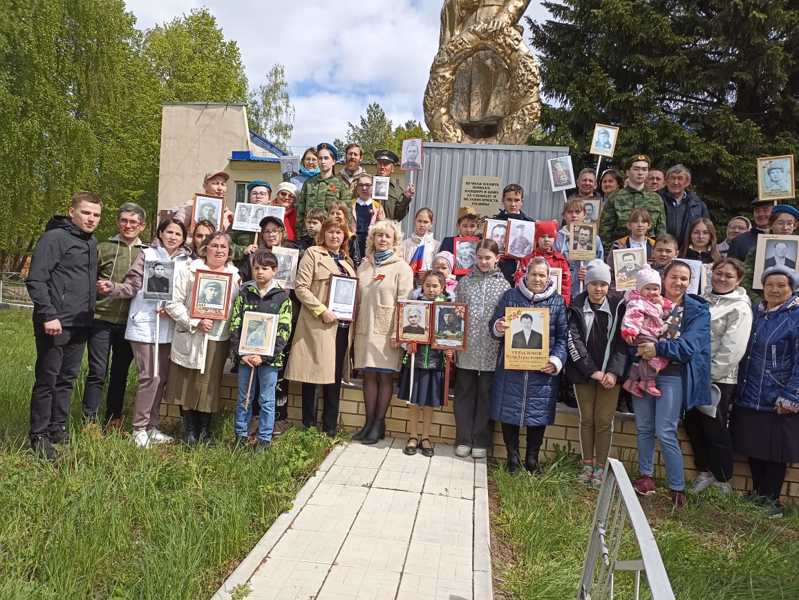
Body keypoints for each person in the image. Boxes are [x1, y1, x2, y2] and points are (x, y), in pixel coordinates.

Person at [98, 218, 193, 448]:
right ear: (160, 233)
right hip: (144, 325)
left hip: (168, 328)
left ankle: (152, 426)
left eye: (177, 234)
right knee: (149, 377)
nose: (172, 237)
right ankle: (139, 428)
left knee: (160, 379)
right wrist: (113, 288)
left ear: (183, 238)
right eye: (168, 232)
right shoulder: (147, 255)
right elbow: (131, 285)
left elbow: (189, 293)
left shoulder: (187, 262)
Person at [26, 191, 102, 459]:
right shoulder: (55, 238)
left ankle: (58, 427)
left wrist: (97, 289)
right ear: (72, 212)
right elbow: (36, 279)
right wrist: (48, 314)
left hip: (80, 324)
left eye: (96, 214)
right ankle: (39, 436)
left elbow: (73, 279)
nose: (91, 219)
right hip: (55, 323)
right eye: (86, 213)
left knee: (67, 379)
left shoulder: (90, 242)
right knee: (48, 379)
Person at [631, 260, 711, 508]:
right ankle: (646, 477)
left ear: (690, 282)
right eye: (674, 277)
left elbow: (688, 347)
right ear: (663, 279)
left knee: (665, 431)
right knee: (644, 427)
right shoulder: (646, 302)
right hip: (642, 372)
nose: (678, 282)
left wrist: (657, 347)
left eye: (684, 279)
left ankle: (677, 488)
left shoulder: (697, 312)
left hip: (672, 375)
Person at [491, 256, 569, 473]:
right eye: (534, 274)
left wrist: (555, 361)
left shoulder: (557, 302)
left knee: (538, 414)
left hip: (541, 372)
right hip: (511, 369)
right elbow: (493, 327)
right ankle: (512, 459)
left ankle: (532, 460)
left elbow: (563, 338)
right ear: (526, 275)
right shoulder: (511, 297)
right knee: (510, 412)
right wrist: (499, 326)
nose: (537, 278)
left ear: (548, 277)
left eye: (542, 275)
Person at [733, 266, 799, 518]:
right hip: (751, 393)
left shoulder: (795, 316)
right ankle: (759, 494)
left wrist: (792, 396)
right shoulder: (757, 313)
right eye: (770, 284)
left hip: (778, 396)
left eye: (781, 285)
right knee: (755, 446)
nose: (774, 289)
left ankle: (772, 501)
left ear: (791, 288)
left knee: (775, 452)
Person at [164, 232, 240, 444]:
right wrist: (194, 322)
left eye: (223, 247)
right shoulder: (189, 271)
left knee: (209, 385)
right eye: (214, 245)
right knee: (187, 383)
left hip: (218, 338)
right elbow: (172, 303)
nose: (218, 250)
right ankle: (189, 431)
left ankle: (205, 431)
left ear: (229, 251)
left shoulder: (234, 277)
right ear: (205, 248)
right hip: (191, 334)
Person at [286, 217, 358, 437]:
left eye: (339, 233)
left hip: (341, 327)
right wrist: (321, 310)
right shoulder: (313, 254)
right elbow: (301, 288)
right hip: (318, 325)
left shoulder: (347, 262)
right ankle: (308, 426)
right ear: (323, 234)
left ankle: (330, 428)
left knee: (334, 378)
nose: (335, 236)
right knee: (312, 375)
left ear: (345, 237)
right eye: (331, 232)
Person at [685, 258, 752, 495]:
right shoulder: (702, 298)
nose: (722, 279)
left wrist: (710, 375)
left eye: (729, 276)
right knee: (693, 424)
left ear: (739, 280)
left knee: (714, 426)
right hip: (693, 375)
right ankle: (704, 471)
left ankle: (723, 478)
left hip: (718, 379)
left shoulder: (740, 307)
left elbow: (733, 348)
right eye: (719, 273)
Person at [82, 202, 146, 430]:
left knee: (120, 373)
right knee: (98, 372)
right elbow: (89, 280)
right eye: (124, 221)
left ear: (142, 226)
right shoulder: (103, 247)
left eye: (133, 222)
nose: (128, 225)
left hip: (129, 324)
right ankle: (89, 420)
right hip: (101, 319)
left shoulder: (146, 253)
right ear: (118, 222)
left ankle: (113, 418)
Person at [565, 260, 627, 488]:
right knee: (587, 419)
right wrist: (592, 371)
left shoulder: (618, 307)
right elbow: (574, 341)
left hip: (611, 377)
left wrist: (612, 372)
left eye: (603, 284)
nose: (598, 289)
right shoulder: (576, 306)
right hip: (585, 374)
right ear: (586, 284)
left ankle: (601, 466)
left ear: (609, 286)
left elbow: (623, 344)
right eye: (593, 284)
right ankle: (587, 464)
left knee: (603, 421)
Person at [353, 220, 414, 444]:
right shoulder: (364, 265)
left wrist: (399, 332)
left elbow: (405, 303)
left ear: (395, 240)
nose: (382, 239)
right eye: (378, 235)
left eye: (387, 236)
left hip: (387, 331)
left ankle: (379, 424)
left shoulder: (402, 268)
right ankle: (368, 423)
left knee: (384, 375)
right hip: (365, 329)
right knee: (368, 374)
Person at [229, 249, 292, 449]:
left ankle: (264, 438)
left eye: (265, 268)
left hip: (270, 361)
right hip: (246, 358)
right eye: (256, 268)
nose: (260, 272)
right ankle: (240, 435)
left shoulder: (282, 298)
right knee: (244, 398)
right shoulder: (245, 294)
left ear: (274, 270)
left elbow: (284, 331)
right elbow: (235, 324)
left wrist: (264, 356)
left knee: (266, 400)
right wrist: (243, 353)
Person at [453, 239, 510, 458]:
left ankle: (481, 440)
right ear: (475, 257)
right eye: (480, 257)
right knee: (465, 393)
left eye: (488, 258)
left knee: (486, 395)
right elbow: (454, 312)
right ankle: (464, 438)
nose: (484, 261)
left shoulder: (504, 286)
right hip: (467, 348)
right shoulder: (465, 282)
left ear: (497, 259)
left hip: (491, 349)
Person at [399, 271, 450, 457]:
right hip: (415, 361)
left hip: (436, 362)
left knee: (429, 402)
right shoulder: (414, 306)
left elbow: (452, 335)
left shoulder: (448, 308)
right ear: (422, 286)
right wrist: (407, 343)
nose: (431, 289)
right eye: (428, 285)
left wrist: (450, 347)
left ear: (442, 288)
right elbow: (404, 332)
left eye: (435, 286)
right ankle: (413, 436)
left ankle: (426, 437)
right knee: (413, 401)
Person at [620, 267, 673, 398]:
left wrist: (664, 305)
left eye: (655, 289)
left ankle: (631, 381)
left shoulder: (654, 302)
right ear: (639, 289)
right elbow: (632, 316)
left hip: (651, 333)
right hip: (642, 333)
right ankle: (647, 381)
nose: (652, 292)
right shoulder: (637, 302)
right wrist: (630, 331)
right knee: (650, 355)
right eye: (647, 288)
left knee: (640, 359)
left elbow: (664, 315)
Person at [599, 155, 666, 251]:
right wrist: (609, 256)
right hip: (621, 252)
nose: (640, 173)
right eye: (636, 169)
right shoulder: (615, 198)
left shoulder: (656, 199)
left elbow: (661, 232)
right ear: (627, 172)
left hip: (649, 253)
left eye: (644, 169)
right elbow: (605, 233)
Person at [741, 204, 799, 303]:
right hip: (762, 304)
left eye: (790, 224)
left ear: (795, 226)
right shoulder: (758, 250)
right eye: (780, 223)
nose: (785, 228)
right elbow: (745, 280)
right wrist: (759, 302)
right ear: (771, 224)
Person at [554, 198, 605, 300]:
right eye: (569, 212)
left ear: (584, 214)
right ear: (564, 215)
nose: (574, 215)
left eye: (577, 212)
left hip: (585, 290)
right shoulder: (557, 238)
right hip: (562, 289)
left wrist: (590, 273)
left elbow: (600, 264)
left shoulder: (594, 238)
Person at [515, 220, 572, 305]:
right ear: (537, 238)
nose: (546, 240)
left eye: (550, 237)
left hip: (554, 306)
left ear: (554, 238)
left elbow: (566, 286)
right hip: (529, 304)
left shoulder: (560, 261)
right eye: (543, 236)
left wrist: (563, 304)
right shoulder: (527, 260)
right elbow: (519, 283)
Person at [297, 143, 350, 229]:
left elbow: (347, 213)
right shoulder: (309, 183)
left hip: (330, 234)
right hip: (309, 234)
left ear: (333, 161)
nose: (323, 161)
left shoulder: (341, 184)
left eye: (326, 158)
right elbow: (300, 211)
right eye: (320, 158)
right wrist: (299, 234)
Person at [659, 164, 710, 247]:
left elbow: (707, 230)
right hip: (662, 250)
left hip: (688, 251)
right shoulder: (656, 200)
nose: (675, 182)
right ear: (666, 181)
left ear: (687, 182)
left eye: (680, 178)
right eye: (672, 178)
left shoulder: (698, 205)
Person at [231, 179, 273, 261]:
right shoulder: (238, 218)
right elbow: (227, 244)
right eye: (254, 193)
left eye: (262, 194)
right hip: (243, 263)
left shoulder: (274, 220)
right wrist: (243, 250)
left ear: (269, 198)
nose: (258, 196)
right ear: (249, 197)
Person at [350, 173, 386, 257]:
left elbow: (383, 230)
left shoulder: (378, 206)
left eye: (367, 185)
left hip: (371, 247)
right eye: (361, 185)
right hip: (353, 246)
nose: (364, 188)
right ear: (357, 188)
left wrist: (381, 221)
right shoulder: (350, 205)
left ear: (373, 187)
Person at [374, 149, 415, 221]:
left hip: (387, 229)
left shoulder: (397, 191)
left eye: (386, 164)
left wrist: (406, 198)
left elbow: (399, 216)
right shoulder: (366, 184)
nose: (382, 167)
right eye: (380, 163)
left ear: (392, 168)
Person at [402, 207, 440, 274]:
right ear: (415, 222)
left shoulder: (436, 245)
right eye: (419, 221)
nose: (422, 225)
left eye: (425, 222)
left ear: (431, 224)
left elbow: (438, 267)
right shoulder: (405, 244)